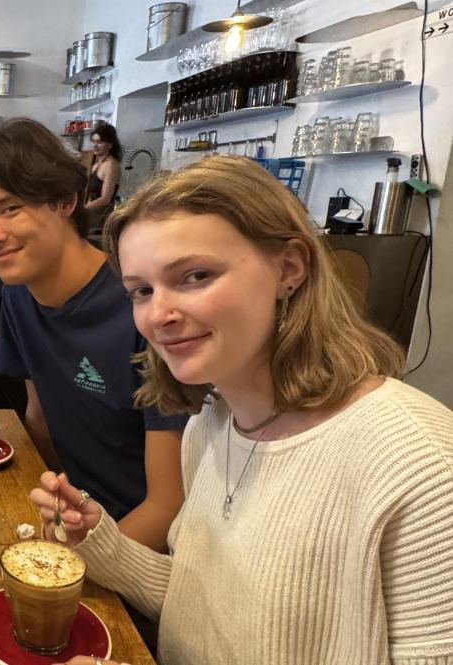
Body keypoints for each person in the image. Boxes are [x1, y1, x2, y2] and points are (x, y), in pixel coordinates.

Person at [32, 155, 453, 665]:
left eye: (196, 276)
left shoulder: (423, 468)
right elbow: (201, 605)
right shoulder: (210, 425)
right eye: (142, 291)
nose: (159, 314)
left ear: (289, 269)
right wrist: (100, 542)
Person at [0, 118, 187, 553]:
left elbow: (168, 505)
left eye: (10, 208)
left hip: (146, 549)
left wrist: (72, 562)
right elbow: (39, 418)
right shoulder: (18, 293)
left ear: (65, 200)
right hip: (77, 522)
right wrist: (61, 513)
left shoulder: (142, 306)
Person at [82, 123, 122, 236]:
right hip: (91, 217)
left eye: (99, 142)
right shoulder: (95, 165)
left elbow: (105, 199)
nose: (95, 146)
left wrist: (83, 208)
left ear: (110, 144)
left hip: (100, 220)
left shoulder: (111, 166)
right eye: (93, 142)